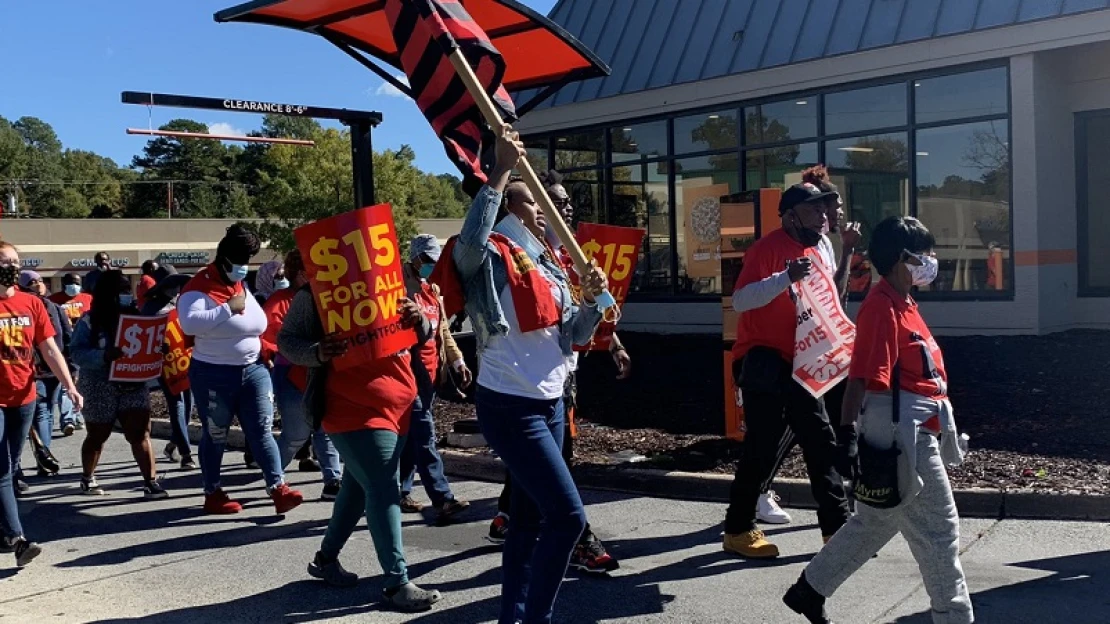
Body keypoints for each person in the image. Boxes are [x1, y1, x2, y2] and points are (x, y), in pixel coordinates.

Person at [446, 128, 607, 623]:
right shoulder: (489, 253)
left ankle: (512, 616)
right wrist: (499, 169)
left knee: (528, 522)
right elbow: (468, 244)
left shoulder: (553, 264)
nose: (545, 207)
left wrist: (593, 302)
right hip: (511, 406)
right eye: (532, 197)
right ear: (507, 206)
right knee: (568, 517)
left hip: (552, 401)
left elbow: (572, 335)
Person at [783, 216, 973, 624]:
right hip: (905, 438)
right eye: (923, 253)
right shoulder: (881, 306)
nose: (930, 260)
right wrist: (848, 436)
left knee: (875, 522)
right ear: (900, 258)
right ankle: (954, 618)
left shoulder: (903, 303)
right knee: (940, 532)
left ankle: (808, 590)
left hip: (913, 431)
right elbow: (862, 378)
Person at [278, 253, 442, 613]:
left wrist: (421, 322)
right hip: (351, 410)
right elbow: (287, 340)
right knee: (384, 487)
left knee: (356, 487)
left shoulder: (393, 286)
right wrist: (318, 351)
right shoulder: (316, 295)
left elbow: (422, 335)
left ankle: (325, 560)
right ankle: (396, 582)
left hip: (398, 408)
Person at [485, 171, 625, 576]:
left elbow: (573, 328)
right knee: (558, 482)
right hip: (516, 391)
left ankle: (509, 517)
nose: (565, 209)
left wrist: (609, 332)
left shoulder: (565, 261)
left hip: (561, 379)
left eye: (567, 203)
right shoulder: (504, 254)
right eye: (554, 202)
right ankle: (579, 540)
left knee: (540, 468)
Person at [723, 182, 851, 559]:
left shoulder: (817, 249)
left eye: (824, 211)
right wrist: (785, 278)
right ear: (791, 215)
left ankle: (837, 529)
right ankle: (739, 530)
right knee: (762, 446)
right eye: (814, 211)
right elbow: (742, 300)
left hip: (803, 360)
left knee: (820, 440)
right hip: (763, 358)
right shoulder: (767, 249)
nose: (823, 217)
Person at [751, 166, 864, 525]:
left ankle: (846, 506)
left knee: (833, 427)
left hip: (828, 346)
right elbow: (747, 297)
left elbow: (836, 292)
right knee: (801, 426)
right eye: (833, 207)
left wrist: (846, 253)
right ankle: (759, 493)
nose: (838, 213)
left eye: (836, 208)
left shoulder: (827, 245)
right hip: (796, 349)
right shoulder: (780, 245)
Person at [177, 225, 303, 515]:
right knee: (216, 432)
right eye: (241, 261)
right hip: (213, 373)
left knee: (261, 430)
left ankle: (278, 488)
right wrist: (227, 309)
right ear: (223, 259)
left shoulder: (239, 285)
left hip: (253, 370)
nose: (244, 268)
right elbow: (190, 324)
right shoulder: (198, 287)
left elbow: (254, 325)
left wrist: (265, 349)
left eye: (249, 261)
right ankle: (213, 493)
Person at [0, 241, 84, 567]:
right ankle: (17, 539)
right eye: (5, 262)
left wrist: (69, 386)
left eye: (15, 262)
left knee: (8, 463)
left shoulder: (31, 303)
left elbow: (49, 349)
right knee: (3, 469)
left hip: (25, 398)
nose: (12, 267)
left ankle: (6, 531)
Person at [69, 270, 167, 499]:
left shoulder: (138, 316)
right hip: (99, 385)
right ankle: (87, 477)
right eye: (120, 290)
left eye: (126, 289)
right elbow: (76, 352)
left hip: (133, 382)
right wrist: (103, 356)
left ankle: (150, 482)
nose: (125, 294)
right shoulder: (89, 321)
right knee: (98, 435)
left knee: (140, 433)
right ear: (106, 294)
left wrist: (158, 349)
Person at [398, 234, 472, 521]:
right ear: (414, 258)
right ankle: (442, 499)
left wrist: (457, 361)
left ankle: (401, 492)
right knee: (425, 436)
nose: (431, 265)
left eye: (435, 260)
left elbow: (443, 331)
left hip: (431, 374)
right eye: (427, 260)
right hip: (408, 373)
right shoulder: (400, 288)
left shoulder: (432, 289)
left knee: (411, 437)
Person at [260, 250, 342, 500]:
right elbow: (269, 334)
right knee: (295, 435)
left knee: (324, 428)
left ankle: (333, 480)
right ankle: (274, 477)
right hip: (290, 373)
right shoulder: (280, 300)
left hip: (321, 369)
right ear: (299, 272)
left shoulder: (326, 297)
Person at [15, 271, 68, 484]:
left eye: (39, 280)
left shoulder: (45, 307)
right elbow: (64, 339)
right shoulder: (50, 306)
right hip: (38, 370)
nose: (38, 284)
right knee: (42, 414)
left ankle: (29, 460)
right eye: (33, 282)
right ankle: (39, 458)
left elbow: (59, 341)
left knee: (37, 416)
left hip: (39, 369)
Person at [140, 273, 196, 470]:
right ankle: (186, 453)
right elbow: (144, 335)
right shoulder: (149, 308)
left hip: (187, 360)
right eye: (174, 286)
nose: (176, 290)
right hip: (165, 365)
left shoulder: (182, 303)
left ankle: (174, 444)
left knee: (188, 405)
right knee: (177, 405)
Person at [48, 272, 89, 434]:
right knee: (67, 385)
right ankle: (67, 420)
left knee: (78, 384)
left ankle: (76, 416)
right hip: (64, 348)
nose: (74, 285)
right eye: (71, 282)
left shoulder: (87, 298)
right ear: (64, 284)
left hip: (83, 346)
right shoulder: (54, 301)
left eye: (77, 282)